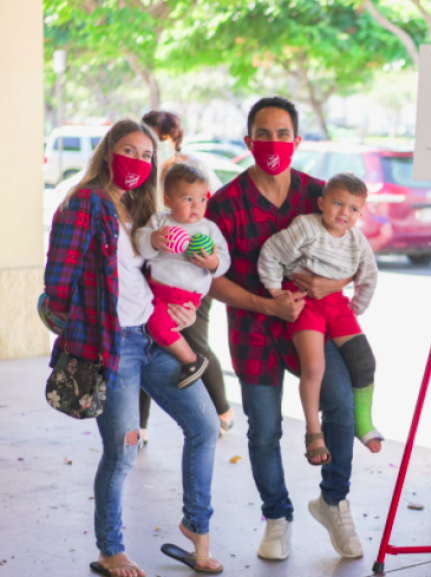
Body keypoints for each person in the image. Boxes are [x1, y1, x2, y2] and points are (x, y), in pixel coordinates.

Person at [42, 119, 222, 576]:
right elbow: (57, 285)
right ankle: (110, 549)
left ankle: (195, 528)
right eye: (129, 150)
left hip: (152, 336)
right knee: (121, 453)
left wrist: (178, 310)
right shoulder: (85, 203)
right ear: (107, 153)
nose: (138, 162)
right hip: (113, 346)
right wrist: (78, 329)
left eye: (146, 156)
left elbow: (153, 273)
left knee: (204, 427)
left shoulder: (139, 208)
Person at [207, 97, 363, 561]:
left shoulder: (322, 193)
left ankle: (333, 501)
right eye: (263, 133)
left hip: (313, 327)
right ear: (248, 140)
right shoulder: (226, 203)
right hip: (253, 330)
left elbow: (357, 257)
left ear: (297, 140)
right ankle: (277, 517)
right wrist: (265, 304)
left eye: (281, 134)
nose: (272, 143)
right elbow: (210, 280)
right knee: (263, 430)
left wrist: (330, 283)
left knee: (341, 405)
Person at [258, 172, 382, 465]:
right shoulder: (306, 227)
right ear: (321, 203)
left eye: (353, 209)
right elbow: (272, 253)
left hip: (338, 305)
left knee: (364, 361)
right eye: (338, 204)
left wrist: (356, 308)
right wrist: (276, 292)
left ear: (361, 214)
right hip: (305, 302)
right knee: (314, 366)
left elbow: (370, 275)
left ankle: (363, 423)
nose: (344, 213)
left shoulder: (357, 241)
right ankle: (313, 430)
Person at [140, 111, 232, 442]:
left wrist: (210, 260)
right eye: (147, 137)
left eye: (160, 138)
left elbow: (214, 221)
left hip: (192, 280)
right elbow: (142, 231)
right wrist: (152, 240)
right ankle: (140, 425)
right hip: (154, 275)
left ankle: (222, 409)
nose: (153, 145)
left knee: (194, 340)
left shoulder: (194, 169)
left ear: (173, 139)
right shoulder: (142, 172)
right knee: (147, 341)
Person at [135, 163, 231, 388]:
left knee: (158, 327)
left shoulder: (208, 229)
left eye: (202, 199)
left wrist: (213, 262)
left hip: (183, 293)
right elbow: (140, 241)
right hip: (154, 288)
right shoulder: (160, 222)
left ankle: (191, 360)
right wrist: (153, 240)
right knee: (148, 326)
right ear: (168, 201)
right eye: (187, 199)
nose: (196, 206)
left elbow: (224, 260)